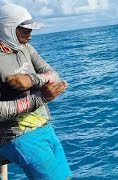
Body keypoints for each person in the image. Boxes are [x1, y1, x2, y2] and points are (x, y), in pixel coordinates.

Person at [0, 3, 71, 180]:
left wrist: (31, 79)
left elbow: (54, 74)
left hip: (44, 127)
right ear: (8, 29)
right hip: (20, 136)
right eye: (25, 31)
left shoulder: (25, 48)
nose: (30, 37)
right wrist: (41, 97)